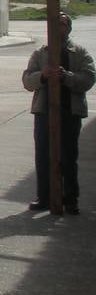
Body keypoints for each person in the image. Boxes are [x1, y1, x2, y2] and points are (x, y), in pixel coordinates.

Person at [21, 12, 93, 214]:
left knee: (68, 156)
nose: (58, 28)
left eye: (62, 24)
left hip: (70, 112)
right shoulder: (40, 53)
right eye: (55, 23)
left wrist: (66, 77)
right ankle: (43, 196)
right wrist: (42, 76)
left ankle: (70, 198)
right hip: (44, 111)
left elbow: (88, 78)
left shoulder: (79, 52)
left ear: (68, 28)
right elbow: (27, 80)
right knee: (43, 155)